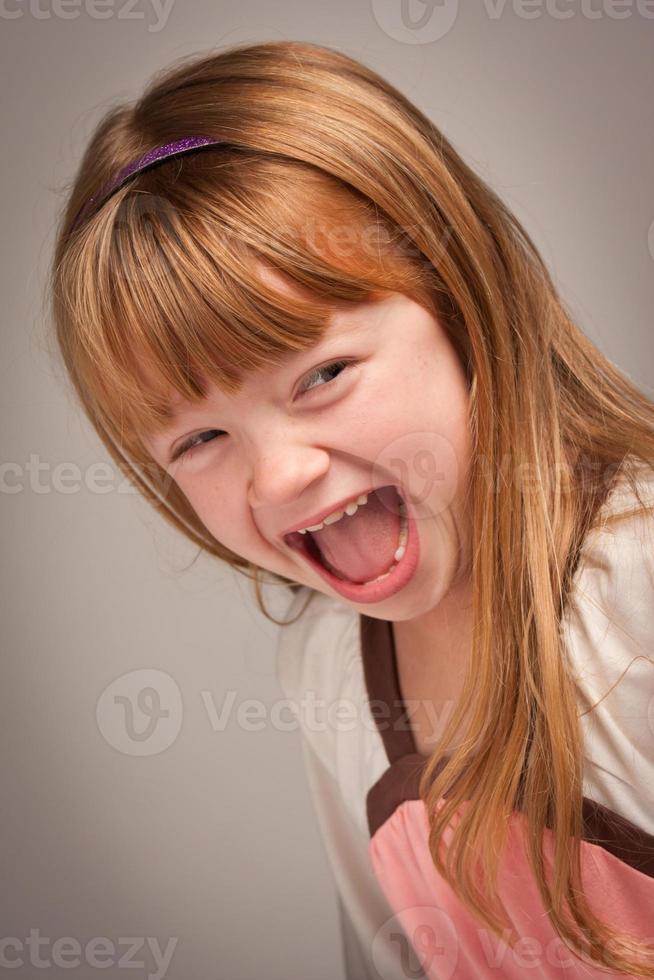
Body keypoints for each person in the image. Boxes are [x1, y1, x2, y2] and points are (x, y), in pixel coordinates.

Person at [48, 39, 654, 979]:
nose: (279, 475)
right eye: (199, 441)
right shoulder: (331, 667)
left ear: (463, 307)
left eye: (323, 374)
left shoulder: (637, 592)